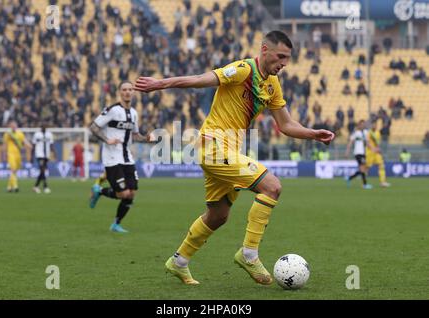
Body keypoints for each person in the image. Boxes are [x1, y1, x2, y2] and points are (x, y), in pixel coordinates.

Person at [135, 30, 334, 285]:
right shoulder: (242, 70)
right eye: (280, 56)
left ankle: (179, 261)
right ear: (265, 50)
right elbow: (200, 79)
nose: (284, 63)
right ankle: (249, 254)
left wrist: (312, 134)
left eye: (287, 58)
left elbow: (285, 124)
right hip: (214, 148)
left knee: (218, 215)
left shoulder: (272, 84)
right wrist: (160, 83)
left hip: (230, 151)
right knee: (272, 187)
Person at [89, 81, 154, 233]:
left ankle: (116, 224)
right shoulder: (112, 110)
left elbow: (135, 135)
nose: (127, 92)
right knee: (122, 193)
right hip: (111, 158)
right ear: (119, 92)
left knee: (131, 193)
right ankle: (99, 191)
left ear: (133, 93)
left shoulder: (134, 113)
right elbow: (93, 127)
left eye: (130, 89)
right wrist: (107, 140)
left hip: (127, 157)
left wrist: (145, 138)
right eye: (124, 90)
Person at [2, 121, 32, 193]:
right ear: (10, 126)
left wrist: (30, 146)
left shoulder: (20, 133)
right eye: (12, 126)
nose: (13, 127)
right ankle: (15, 186)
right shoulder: (8, 134)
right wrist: (4, 154)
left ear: (16, 126)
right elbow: (4, 144)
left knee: (15, 171)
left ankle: (9, 187)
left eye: (14, 125)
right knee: (13, 169)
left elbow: (24, 141)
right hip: (10, 153)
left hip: (18, 154)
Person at [344, 120, 372, 189]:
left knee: (363, 169)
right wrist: (347, 151)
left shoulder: (366, 132)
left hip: (363, 152)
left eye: (364, 124)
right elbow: (350, 142)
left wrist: (372, 149)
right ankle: (365, 184)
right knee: (363, 168)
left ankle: (349, 178)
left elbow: (367, 142)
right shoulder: (356, 133)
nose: (363, 125)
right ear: (359, 125)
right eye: (361, 124)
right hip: (358, 152)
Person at [366, 120, 391, 187]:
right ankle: (364, 182)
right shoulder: (369, 133)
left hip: (376, 152)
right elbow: (367, 143)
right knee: (366, 167)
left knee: (381, 165)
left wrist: (378, 149)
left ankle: (382, 182)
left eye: (375, 125)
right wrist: (373, 148)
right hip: (370, 152)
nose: (374, 126)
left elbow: (377, 142)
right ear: (371, 125)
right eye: (373, 125)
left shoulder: (378, 133)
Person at [32, 123, 55, 193]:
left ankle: (36, 186)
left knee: (42, 171)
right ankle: (45, 187)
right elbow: (34, 145)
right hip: (39, 154)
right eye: (43, 126)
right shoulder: (37, 134)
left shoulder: (49, 134)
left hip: (46, 155)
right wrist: (31, 156)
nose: (44, 127)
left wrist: (54, 153)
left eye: (45, 126)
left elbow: (51, 145)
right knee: (42, 169)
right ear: (41, 127)